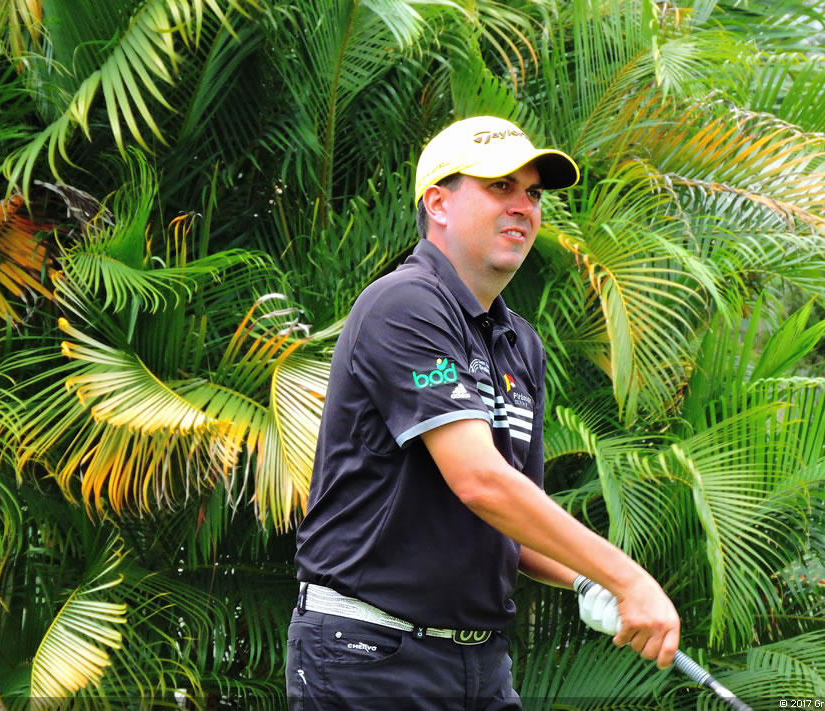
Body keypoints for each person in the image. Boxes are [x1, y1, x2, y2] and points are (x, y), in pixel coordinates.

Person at [287, 116, 680, 710]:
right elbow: (480, 481)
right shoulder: (404, 303)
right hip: (369, 653)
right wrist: (628, 577)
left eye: (534, 193)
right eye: (500, 186)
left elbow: (514, 520)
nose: (523, 205)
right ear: (438, 203)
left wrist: (588, 579)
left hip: (480, 663)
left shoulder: (520, 344)